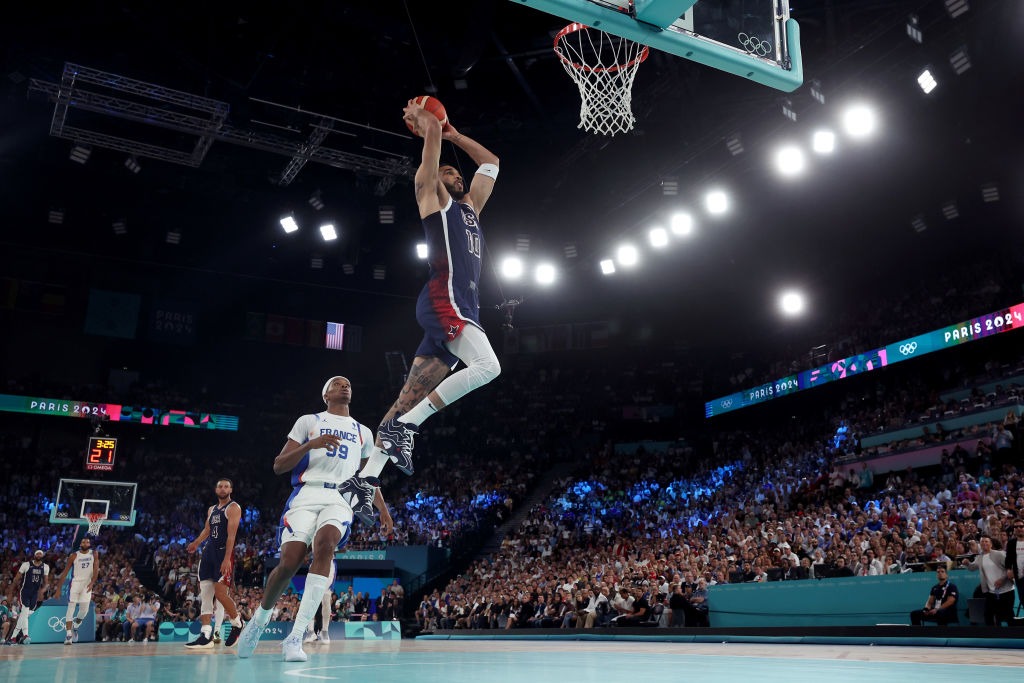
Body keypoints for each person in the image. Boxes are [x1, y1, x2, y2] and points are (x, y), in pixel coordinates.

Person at [351, 99, 502, 507]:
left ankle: (364, 480)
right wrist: (428, 123)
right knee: (489, 367)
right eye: (447, 170)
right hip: (444, 300)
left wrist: (453, 134)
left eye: (457, 172)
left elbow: (491, 162)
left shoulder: (469, 208)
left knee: (408, 397)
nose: (456, 174)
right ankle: (409, 428)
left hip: (460, 307)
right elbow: (431, 151)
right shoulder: (432, 199)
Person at [236, 376, 391, 662]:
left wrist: (383, 508)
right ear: (325, 395)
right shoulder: (309, 421)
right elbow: (279, 465)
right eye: (338, 384)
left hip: (341, 498)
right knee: (289, 563)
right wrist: (311, 445)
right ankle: (259, 622)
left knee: (325, 544)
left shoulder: (363, 432)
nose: (345, 386)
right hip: (307, 494)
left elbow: (368, 477)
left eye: (348, 384)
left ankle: (295, 637)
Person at [185, 478, 244, 649]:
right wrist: (196, 543)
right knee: (205, 593)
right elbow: (207, 529)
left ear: (231, 489)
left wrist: (227, 558)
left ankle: (237, 622)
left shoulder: (233, 508)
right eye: (220, 486)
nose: (223, 488)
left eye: (226, 486)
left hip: (223, 552)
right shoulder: (211, 509)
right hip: (209, 551)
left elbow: (231, 536)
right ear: (216, 489)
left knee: (220, 594)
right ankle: (205, 635)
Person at [54, 535, 99, 645]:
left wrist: (93, 582)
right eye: (83, 542)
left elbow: (96, 569)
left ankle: (75, 626)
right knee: (71, 609)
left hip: (87, 585)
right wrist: (58, 589)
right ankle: (68, 635)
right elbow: (64, 573)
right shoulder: (74, 556)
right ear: (80, 544)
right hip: (75, 585)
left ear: (89, 544)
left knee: (84, 611)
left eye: (87, 542)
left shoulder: (94, 554)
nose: (85, 544)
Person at [962, 534, 1015, 626]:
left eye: (986, 541)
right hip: (991, 592)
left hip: (1007, 591)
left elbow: (1010, 567)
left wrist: (1002, 579)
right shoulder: (980, 557)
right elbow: (972, 567)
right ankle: (994, 637)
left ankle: (1014, 637)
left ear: (991, 544)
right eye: (982, 541)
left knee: (1009, 616)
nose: (984, 543)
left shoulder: (999, 554)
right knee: (989, 615)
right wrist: (967, 563)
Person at [6, 549, 49, 644]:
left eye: (40, 554)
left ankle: (13, 637)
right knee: (25, 612)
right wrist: (10, 592)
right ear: (34, 555)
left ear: (42, 556)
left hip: (35, 594)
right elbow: (17, 578)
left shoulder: (45, 567)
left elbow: (46, 583)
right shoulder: (26, 564)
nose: (39, 555)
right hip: (25, 591)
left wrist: (43, 590)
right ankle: (26, 635)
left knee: (24, 615)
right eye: (37, 553)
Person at [1002, 519, 1024, 614]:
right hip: (1019, 577)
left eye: (1021, 526)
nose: (1018, 528)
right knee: (1023, 599)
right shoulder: (1011, 543)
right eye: (1016, 527)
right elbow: (1008, 559)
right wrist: (1008, 569)